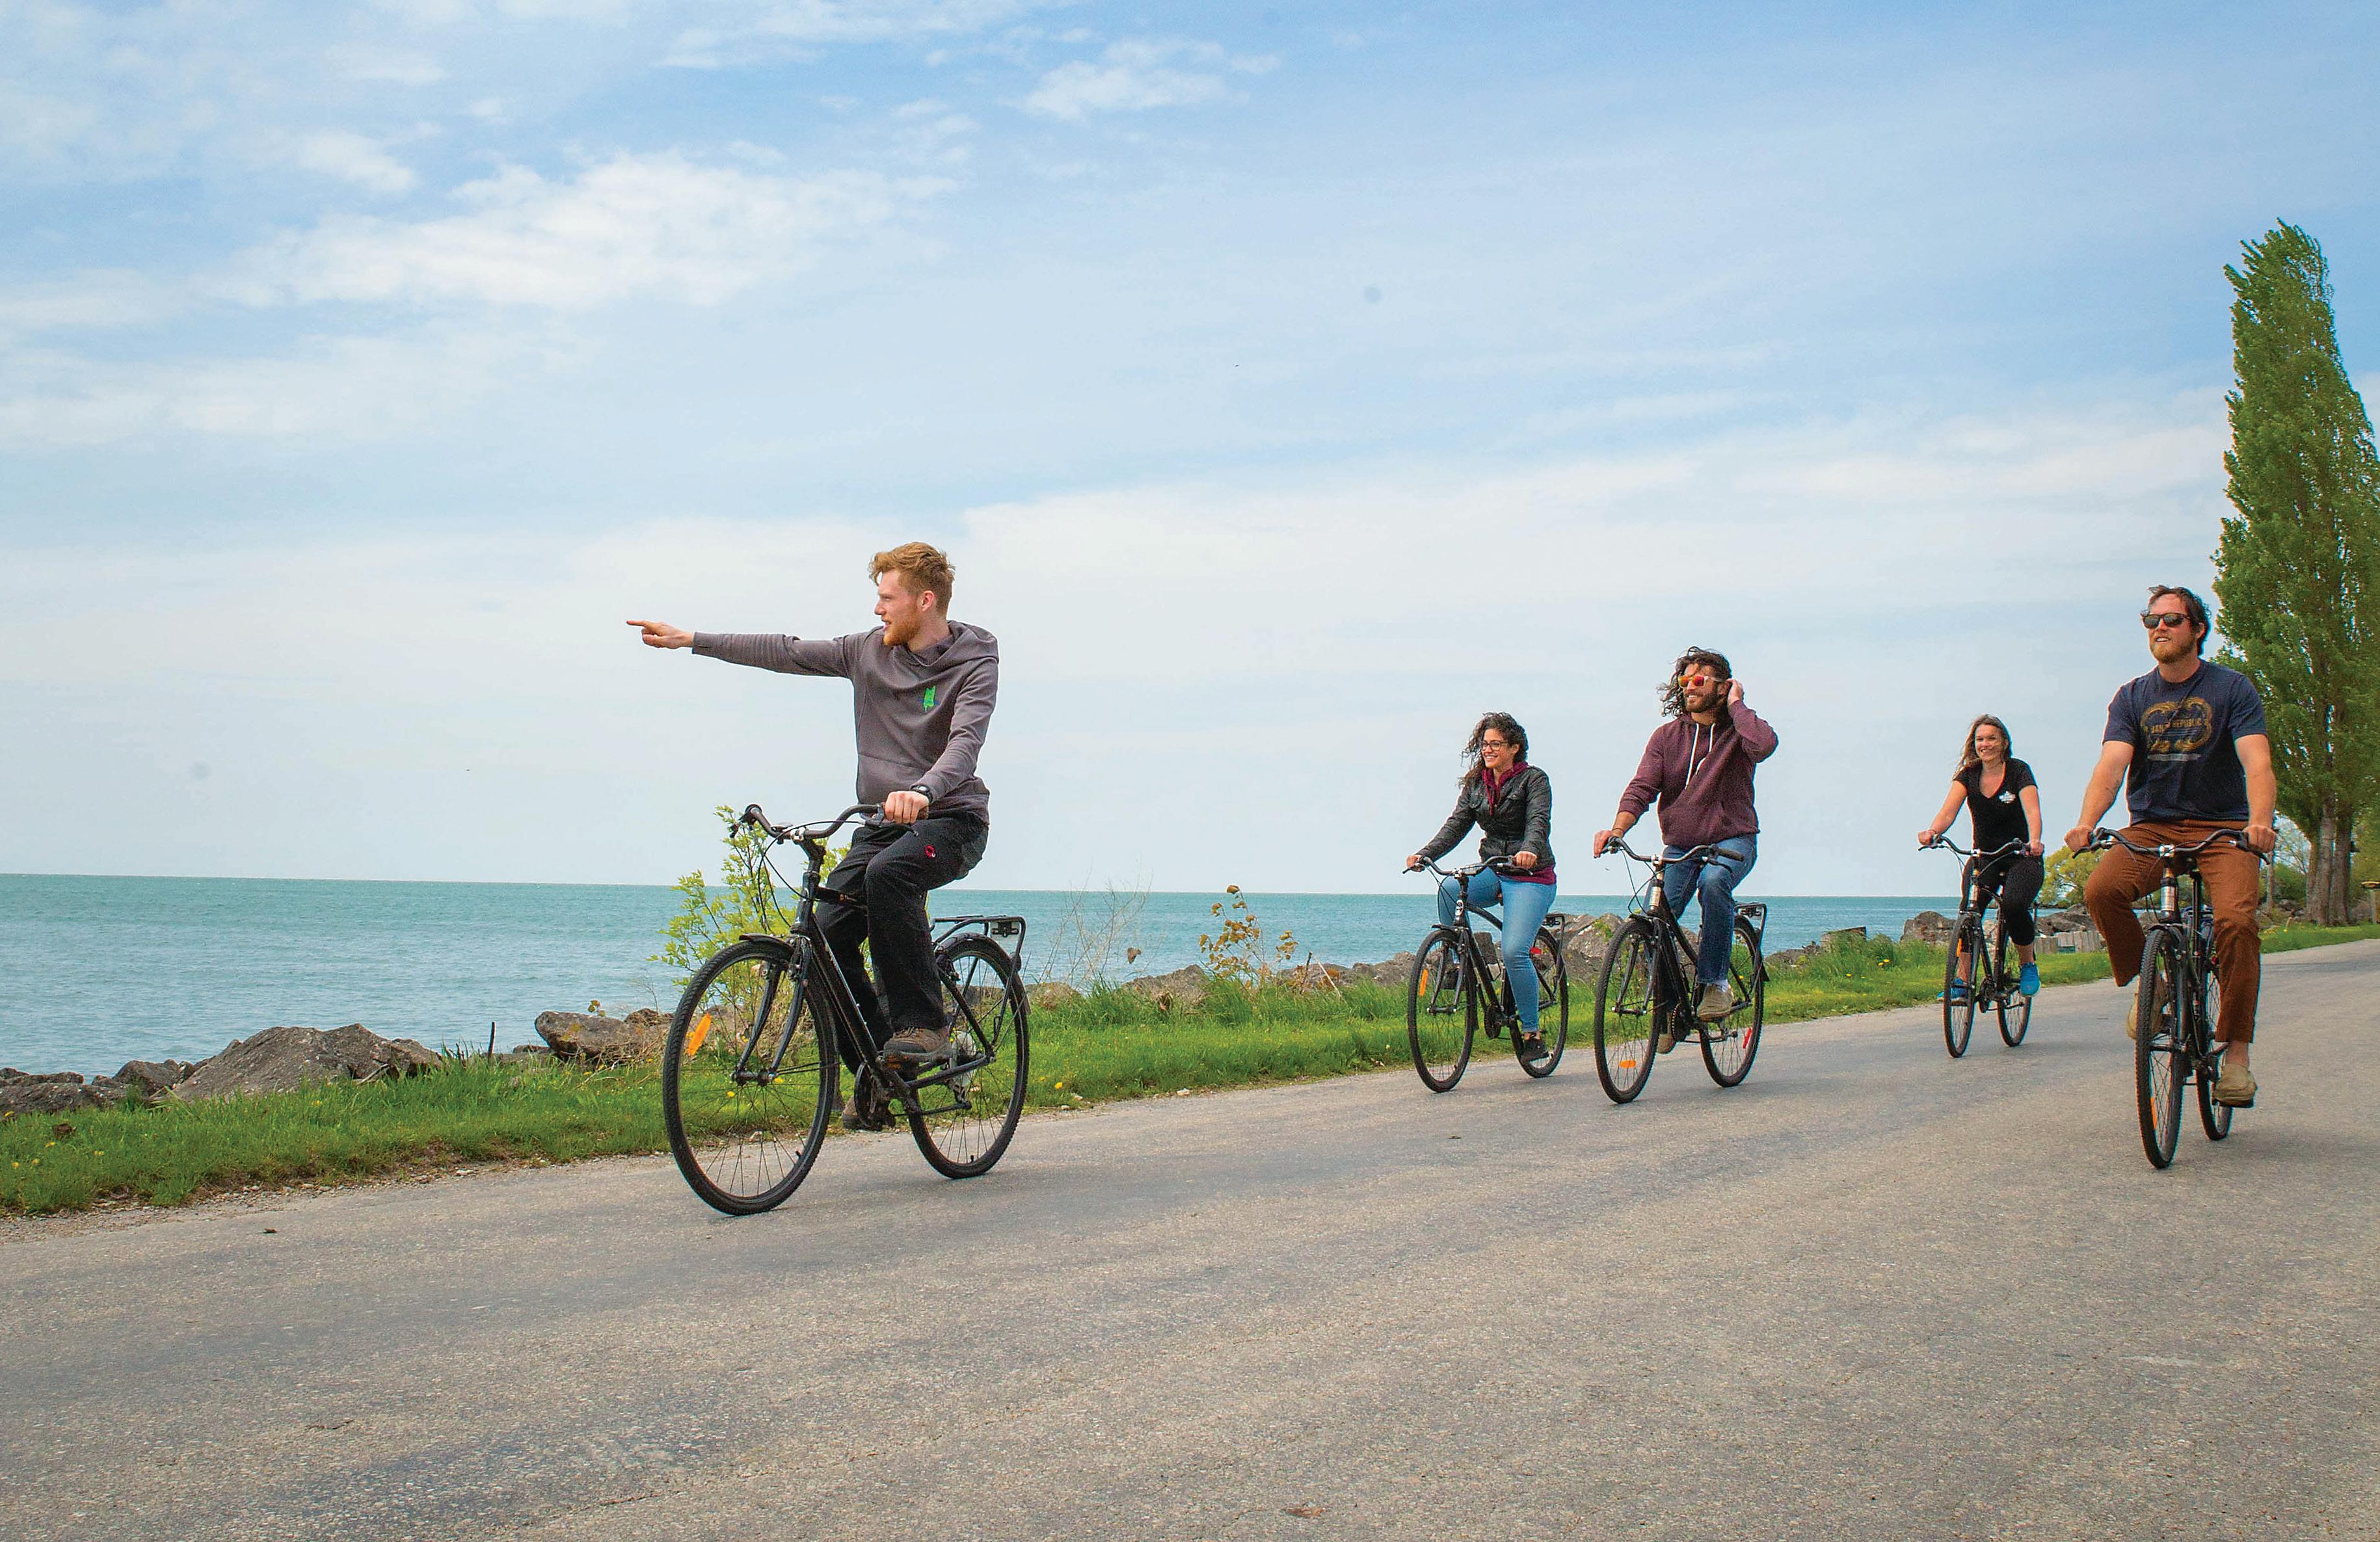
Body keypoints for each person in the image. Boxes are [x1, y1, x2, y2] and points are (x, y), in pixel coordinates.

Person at [629, 541, 999, 1130]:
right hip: (883, 822)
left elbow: (965, 742)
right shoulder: (866, 652)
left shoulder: (974, 658)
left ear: (925, 601)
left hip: (950, 819)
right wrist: (692, 639)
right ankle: (878, 1072)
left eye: (887, 598)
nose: (877, 609)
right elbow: (787, 651)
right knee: (825, 936)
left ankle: (924, 1024)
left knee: (888, 876)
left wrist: (924, 790)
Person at [2063, 583, 2276, 1107]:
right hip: (2152, 827)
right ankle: (2154, 983)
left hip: (2223, 828)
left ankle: (2236, 1057)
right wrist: (2086, 822)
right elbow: (2111, 766)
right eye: (2150, 619)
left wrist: (2259, 823)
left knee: (2235, 923)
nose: (2159, 627)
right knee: (2101, 891)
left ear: (2197, 629)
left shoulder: (2231, 688)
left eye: (2171, 619)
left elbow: (2256, 761)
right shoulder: (2132, 696)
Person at [1593, 648, 1778, 1037]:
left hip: (1733, 840)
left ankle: (1715, 985)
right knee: (1653, 919)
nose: (1689, 688)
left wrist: (1738, 705)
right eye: (1684, 681)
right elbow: (1642, 788)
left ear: (1723, 686)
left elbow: (1764, 746)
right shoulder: (1667, 737)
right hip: (1681, 847)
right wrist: (1617, 830)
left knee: (1714, 883)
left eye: (1699, 681)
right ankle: (1669, 1009)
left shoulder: (1740, 731)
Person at [1405, 713, 1557, 1063]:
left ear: (1514, 748)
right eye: (1484, 744)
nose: (1487, 750)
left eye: (1495, 744)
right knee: (1449, 889)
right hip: (1494, 869)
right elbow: (1457, 825)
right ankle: (1459, 966)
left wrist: (1530, 850)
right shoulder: (1477, 784)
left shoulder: (1534, 780)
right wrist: (1427, 854)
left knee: (1514, 952)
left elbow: (1539, 821)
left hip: (1530, 875)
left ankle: (1532, 1033)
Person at [1919, 714, 2046, 1000]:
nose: (1985, 744)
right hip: (1985, 856)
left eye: (1991, 738)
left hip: (2021, 856)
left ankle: (2028, 964)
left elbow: (2033, 811)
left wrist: (2035, 840)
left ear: (2004, 742)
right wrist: (1933, 831)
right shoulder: (1968, 775)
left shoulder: (2019, 771)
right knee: (1970, 910)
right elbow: (1948, 812)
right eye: (1980, 739)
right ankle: (1963, 981)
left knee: (2014, 905)